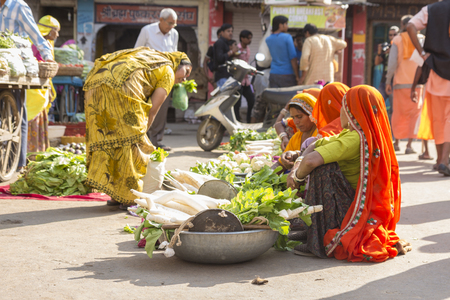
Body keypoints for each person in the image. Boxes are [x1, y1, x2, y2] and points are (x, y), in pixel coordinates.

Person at [286, 85, 402, 261]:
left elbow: (311, 160)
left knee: (322, 169)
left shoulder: (354, 138)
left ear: (352, 110)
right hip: (351, 201)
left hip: (352, 210)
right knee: (319, 162)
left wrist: (296, 177)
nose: (341, 111)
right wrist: (297, 167)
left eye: (345, 106)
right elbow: (315, 145)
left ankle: (317, 242)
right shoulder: (359, 133)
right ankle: (314, 230)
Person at [83, 48, 191, 210]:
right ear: (178, 62)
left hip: (96, 83)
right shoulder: (168, 69)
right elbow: (153, 109)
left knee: (109, 137)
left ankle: (115, 195)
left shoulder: (151, 57)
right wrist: (141, 133)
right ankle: (128, 197)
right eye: (186, 71)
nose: (185, 78)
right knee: (131, 144)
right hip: (122, 87)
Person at [0, 0, 55, 173]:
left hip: (16, 65)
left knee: (19, 114)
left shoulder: (18, 6)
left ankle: (19, 163)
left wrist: (47, 56)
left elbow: (36, 34)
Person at [407, 1, 450, 176]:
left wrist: (423, 54)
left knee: (438, 119)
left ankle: (440, 159)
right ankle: (445, 160)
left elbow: (410, 26)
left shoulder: (431, 9)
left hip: (436, 71)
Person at [135, 8, 179, 152]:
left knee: (161, 109)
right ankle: (142, 139)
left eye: (174, 24)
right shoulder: (147, 31)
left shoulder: (174, 34)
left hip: (165, 77)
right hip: (148, 76)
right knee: (146, 108)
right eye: (170, 23)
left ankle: (156, 140)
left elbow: (174, 55)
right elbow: (137, 52)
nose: (171, 26)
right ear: (161, 20)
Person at [385, 15, 423, 154]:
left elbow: (392, 63)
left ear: (402, 25)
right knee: (414, 114)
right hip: (417, 84)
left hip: (400, 83)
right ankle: (409, 145)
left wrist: (388, 80)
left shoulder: (397, 39)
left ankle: (397, 142)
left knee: (399, 113)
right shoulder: (422, 39)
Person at [27, 15, 60, 153]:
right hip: (33, 90)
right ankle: (32, 152)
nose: (57, 34)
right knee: (32, 119)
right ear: (49, 30)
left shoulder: (46, 43)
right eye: (56, 30)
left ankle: (38, 152)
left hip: (41, 88)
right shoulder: (37, 43)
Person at [274, 93, 318, 171]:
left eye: (299, 117)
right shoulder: (296, 137)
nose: (296, 121)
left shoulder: (321, 135)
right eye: (293, 117)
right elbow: (280, 164)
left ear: (312, 114)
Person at [266, 16, 301, 87]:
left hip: (273, 74)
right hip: (287, 75)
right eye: (286, 24)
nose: (287, 26)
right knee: (288, 97)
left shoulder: (268, 39)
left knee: (275, 97)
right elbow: (293, 58)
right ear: (280, 25)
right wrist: (297, 76)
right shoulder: (287, 37)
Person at [374, 26, 399, 115]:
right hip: (384, 81)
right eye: (390, 35)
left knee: (394, 109)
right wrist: (380, 52)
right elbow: (377, 63)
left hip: (395, 81)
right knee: (376, 103)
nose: (392, 37)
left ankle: (392, 128)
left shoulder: (400, 47)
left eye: (394, 34)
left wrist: (393, 52)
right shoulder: (387, 47)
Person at [234, 29, 255, 123]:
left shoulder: (248, 49)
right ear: (242, 38)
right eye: (248, 38)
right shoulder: (237, 48)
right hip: (238, 80)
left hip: (246, 81)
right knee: (237, 104)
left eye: (250, 38)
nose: (250, 40)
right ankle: (237, 121)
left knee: (252, 101)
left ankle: (248, 121)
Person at [213, 24, 238, 88]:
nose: (230, 33)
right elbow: (220, 58)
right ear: (222, 32)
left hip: (227, 76)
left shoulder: (226, 43)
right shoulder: (220, 42)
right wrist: (231, 51)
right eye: (228, 31)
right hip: (222, 76)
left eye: (231, 31)